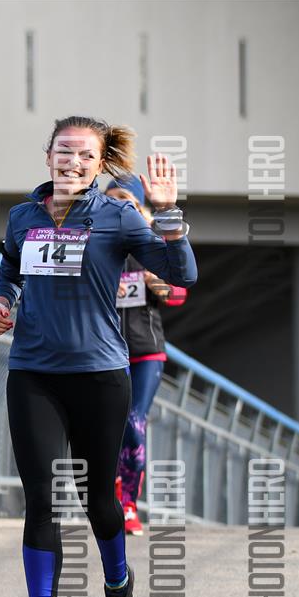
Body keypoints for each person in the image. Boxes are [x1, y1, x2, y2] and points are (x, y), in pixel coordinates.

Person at [0, 116, 197, 597]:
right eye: (64, 151)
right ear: (48, 156)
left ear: (100, 164)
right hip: (33, 373)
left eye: (85, 155)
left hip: (100, 376)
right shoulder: (23, 216)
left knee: (98, 498)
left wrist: (168, 214)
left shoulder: (117, 215)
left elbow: (181, 273)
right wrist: (1, 302)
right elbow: (9, 271)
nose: (73, 162)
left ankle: (118, 585)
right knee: (41, 499)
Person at [105, 180, 188, 536]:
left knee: (134, 423)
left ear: (141, 208)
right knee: (106, 427)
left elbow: (179, 293)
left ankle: (128, 503)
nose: (118, 207)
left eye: (126, 200)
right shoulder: (97, 242)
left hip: (145, 351)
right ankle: (109, 494)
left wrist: (156, 282)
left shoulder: (150, 242)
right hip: (104, 351)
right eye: (110, 200)